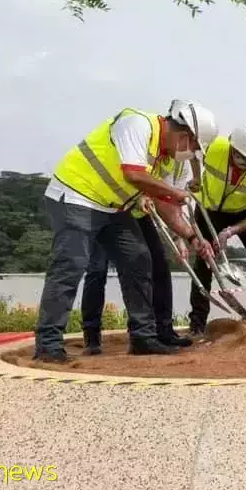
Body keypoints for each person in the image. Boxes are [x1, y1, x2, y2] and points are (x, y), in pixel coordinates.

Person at [33, 100, 218, 363]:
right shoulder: (137, 124)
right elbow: (133, 174)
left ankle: (143, 337)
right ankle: (48, 345)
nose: (191, 154)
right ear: (183, 135)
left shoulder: (165, 159)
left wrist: (190, 236)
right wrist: (174, 192)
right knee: (70, 266)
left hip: (112, 208)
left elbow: (167, 206)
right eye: (194, 147)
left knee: (139, 259)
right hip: (76, 196)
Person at [80, 152, 200, 355]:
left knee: (158, 266)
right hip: (104, 208)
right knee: (97, 270)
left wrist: (181, 238)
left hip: (137, 213)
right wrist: (141, 195)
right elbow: (130, 175)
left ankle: (162, 331)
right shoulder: (147, 146)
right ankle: (92, 336)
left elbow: (172, 206)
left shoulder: (180, 165)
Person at [188, 123, 246, 335]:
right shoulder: (214, 147)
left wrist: (230, 231)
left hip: (245, 214)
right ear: (233, 151)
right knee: (203, 261)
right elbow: (191, 151)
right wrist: (197, 177)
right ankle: (197, 322)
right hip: (210, 209)